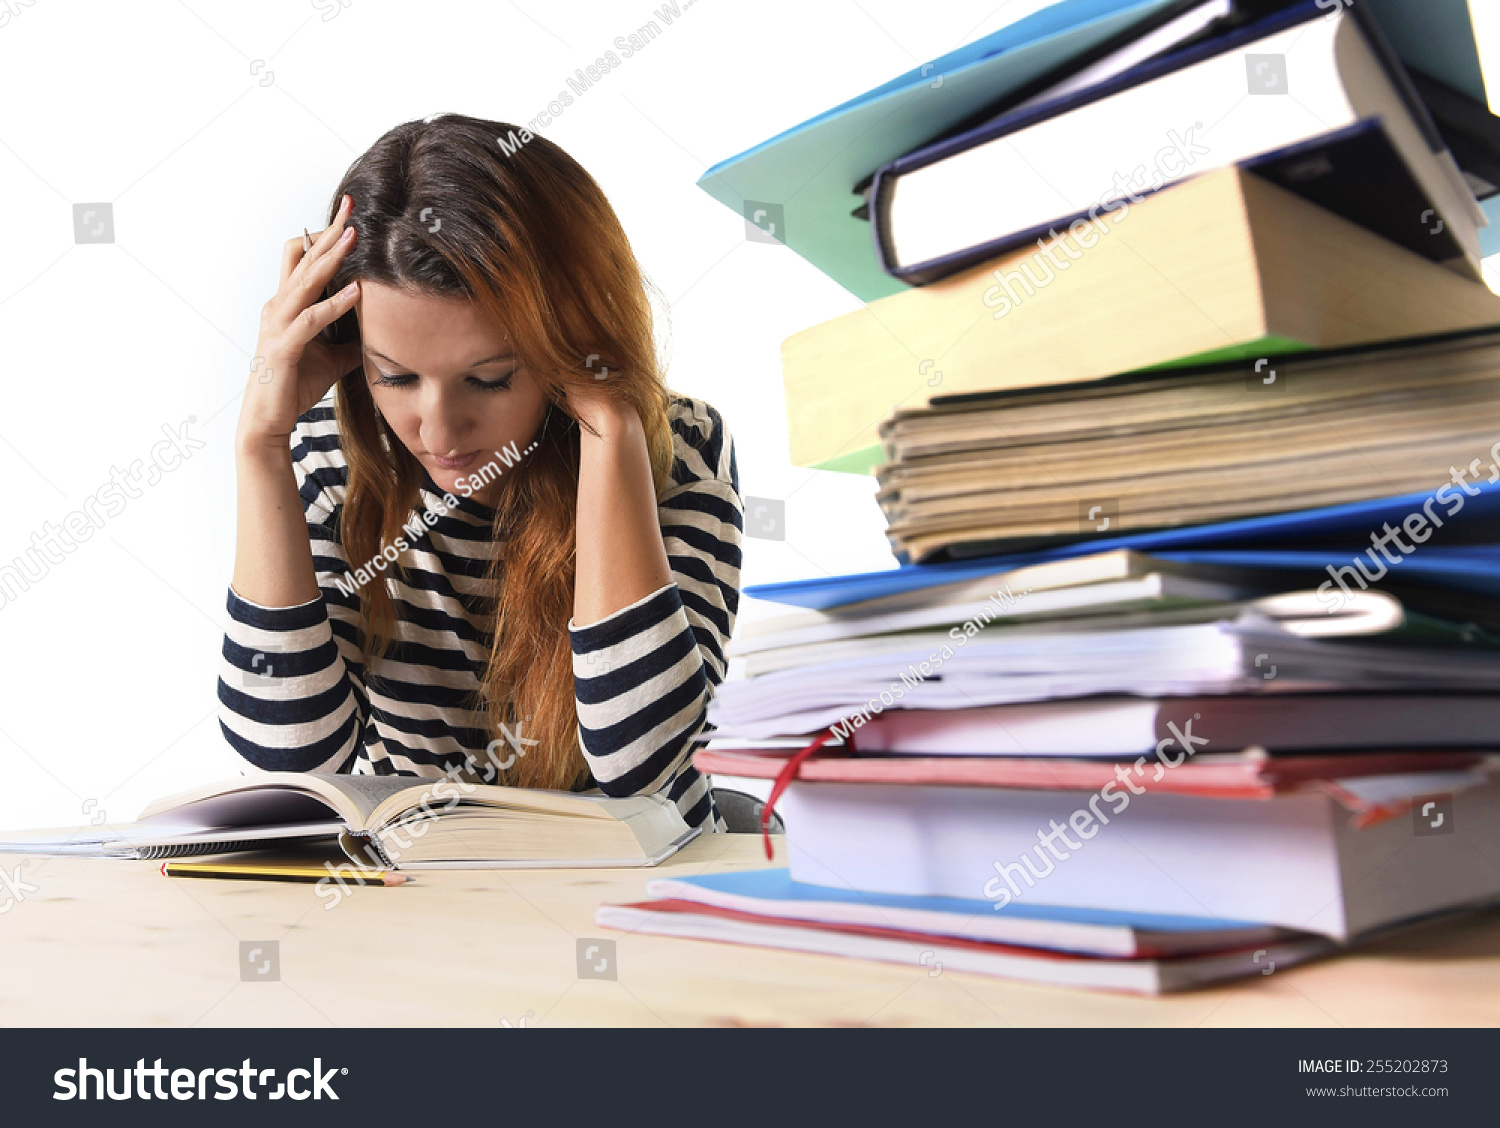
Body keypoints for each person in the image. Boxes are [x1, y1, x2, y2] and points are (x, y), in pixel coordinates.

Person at [218, 114, 743, 830]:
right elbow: (291, 763)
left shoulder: (680, 448)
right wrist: (261, 444)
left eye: (490, 379)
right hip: (425, 909)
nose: (437, 433)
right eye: (394, 377)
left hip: (633, 905)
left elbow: (644, 762)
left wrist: (611, 422)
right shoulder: (329, 456)